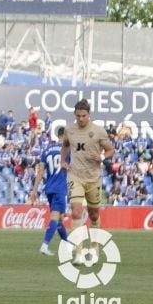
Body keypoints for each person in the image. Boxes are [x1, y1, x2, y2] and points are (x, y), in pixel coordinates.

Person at [59, 99, 114, 266]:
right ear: (75, 115)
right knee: (76, 212)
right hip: (74, 175)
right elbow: (65, 146)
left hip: (93, 177)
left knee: (94, 214)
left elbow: (110, 149)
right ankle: (78, 253)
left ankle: (95, 247)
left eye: (83, 116)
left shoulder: (98, 131)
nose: (81, 119)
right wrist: (63, 161)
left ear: (89, 115)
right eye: (78, 116)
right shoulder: (70, 129)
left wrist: (103, 157)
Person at [31, 127, 69, 256]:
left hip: (49, 188)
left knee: (60, 219)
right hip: (60, 188)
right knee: (55, 217)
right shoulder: (66, 151)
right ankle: (44, 245)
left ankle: (67, 243)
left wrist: (34, 190)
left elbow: (40, 172)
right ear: (64, 136)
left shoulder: (46, 151)